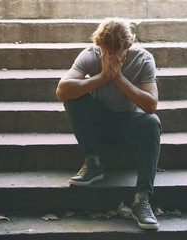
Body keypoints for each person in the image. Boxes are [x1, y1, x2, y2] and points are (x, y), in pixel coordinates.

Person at [56, 18, 161, 230]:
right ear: (99, 46)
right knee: (74, 97)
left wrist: (118, 77)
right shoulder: (91, 53)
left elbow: (151, 105)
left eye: (117, 54)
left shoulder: (144, 58)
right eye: (106, 52)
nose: (110, 57)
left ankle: (142, 199)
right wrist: (103, 76)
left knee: (152, 122)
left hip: (129, 123)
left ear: (128, 48)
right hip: (98, 121)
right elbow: (61, 91)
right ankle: (92, 162)